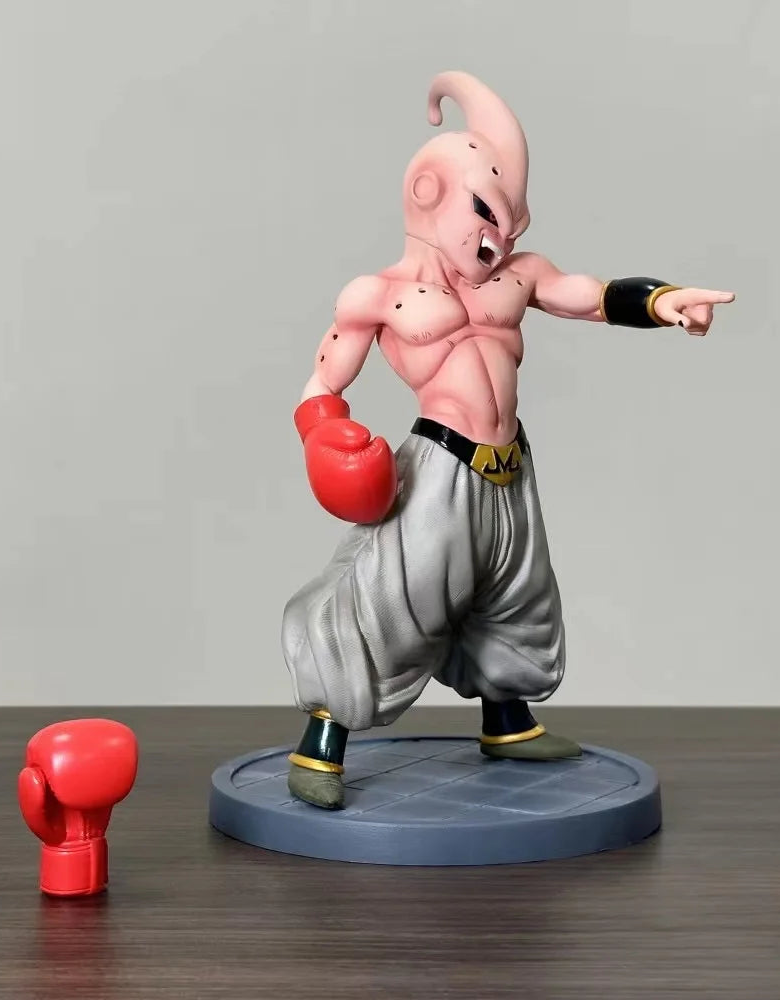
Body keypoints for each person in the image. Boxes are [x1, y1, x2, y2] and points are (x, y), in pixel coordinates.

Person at [281, 71, 734, 809]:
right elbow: (321, 385)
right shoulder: (379, 295)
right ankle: (322, 740)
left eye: (513, 224)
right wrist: (327, 441)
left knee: (519, 597)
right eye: (487, 215)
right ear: (428, 193)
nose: (500, 239)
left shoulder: (517, 276)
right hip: (437, 468)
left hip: (510, 467)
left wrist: (663, 301)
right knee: (391, 600)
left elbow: (589, 296)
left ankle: (508, 720)